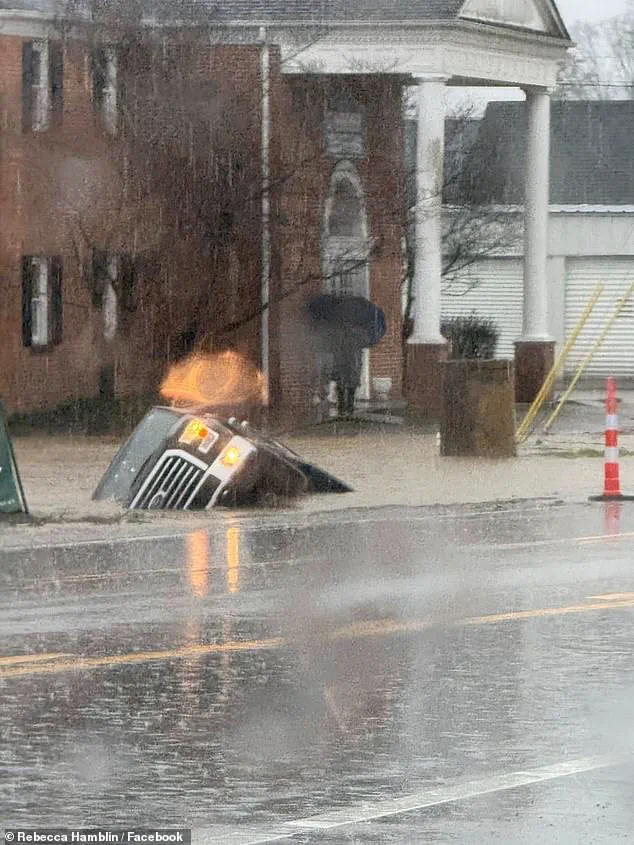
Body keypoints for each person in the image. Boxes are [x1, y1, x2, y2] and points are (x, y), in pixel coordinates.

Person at [331, 332, 363, 417]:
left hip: (349, 366)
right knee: (343, 387)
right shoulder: (343, 341)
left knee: (348, 387)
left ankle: (347, 408)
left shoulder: (354, 343)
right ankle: (345, 408)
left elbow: (357, 359)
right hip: (345, 366)